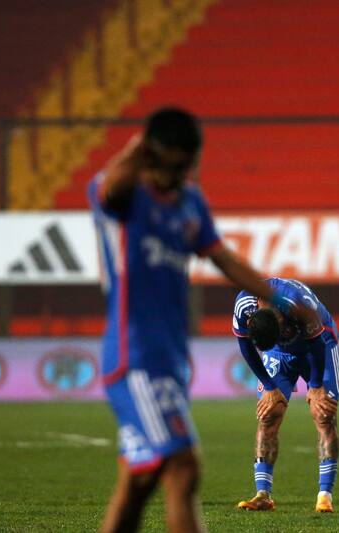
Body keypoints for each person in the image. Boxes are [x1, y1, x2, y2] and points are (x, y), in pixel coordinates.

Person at [88, 107, 311, 533]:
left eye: (189, 163)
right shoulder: (125, 195)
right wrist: (141, 147)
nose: (183, 173)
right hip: (133, 355)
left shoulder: (190, 204)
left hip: (170, 358)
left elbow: (222, 257)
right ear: (152, 155)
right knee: (184, 469)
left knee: (137, 483)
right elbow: (107, 186)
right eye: (175, 163)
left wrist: (274, 297)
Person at [232, 278, 339, 513]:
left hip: (320, 343)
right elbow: (246, 347)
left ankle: (324, 495)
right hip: (278, 354)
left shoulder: (298, 305)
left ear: (282, 320)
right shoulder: (244, 306)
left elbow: (317, 346)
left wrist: (315, 386)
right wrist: (269, 387)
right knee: (268, 415)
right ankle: (263, 494)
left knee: (323, 415)